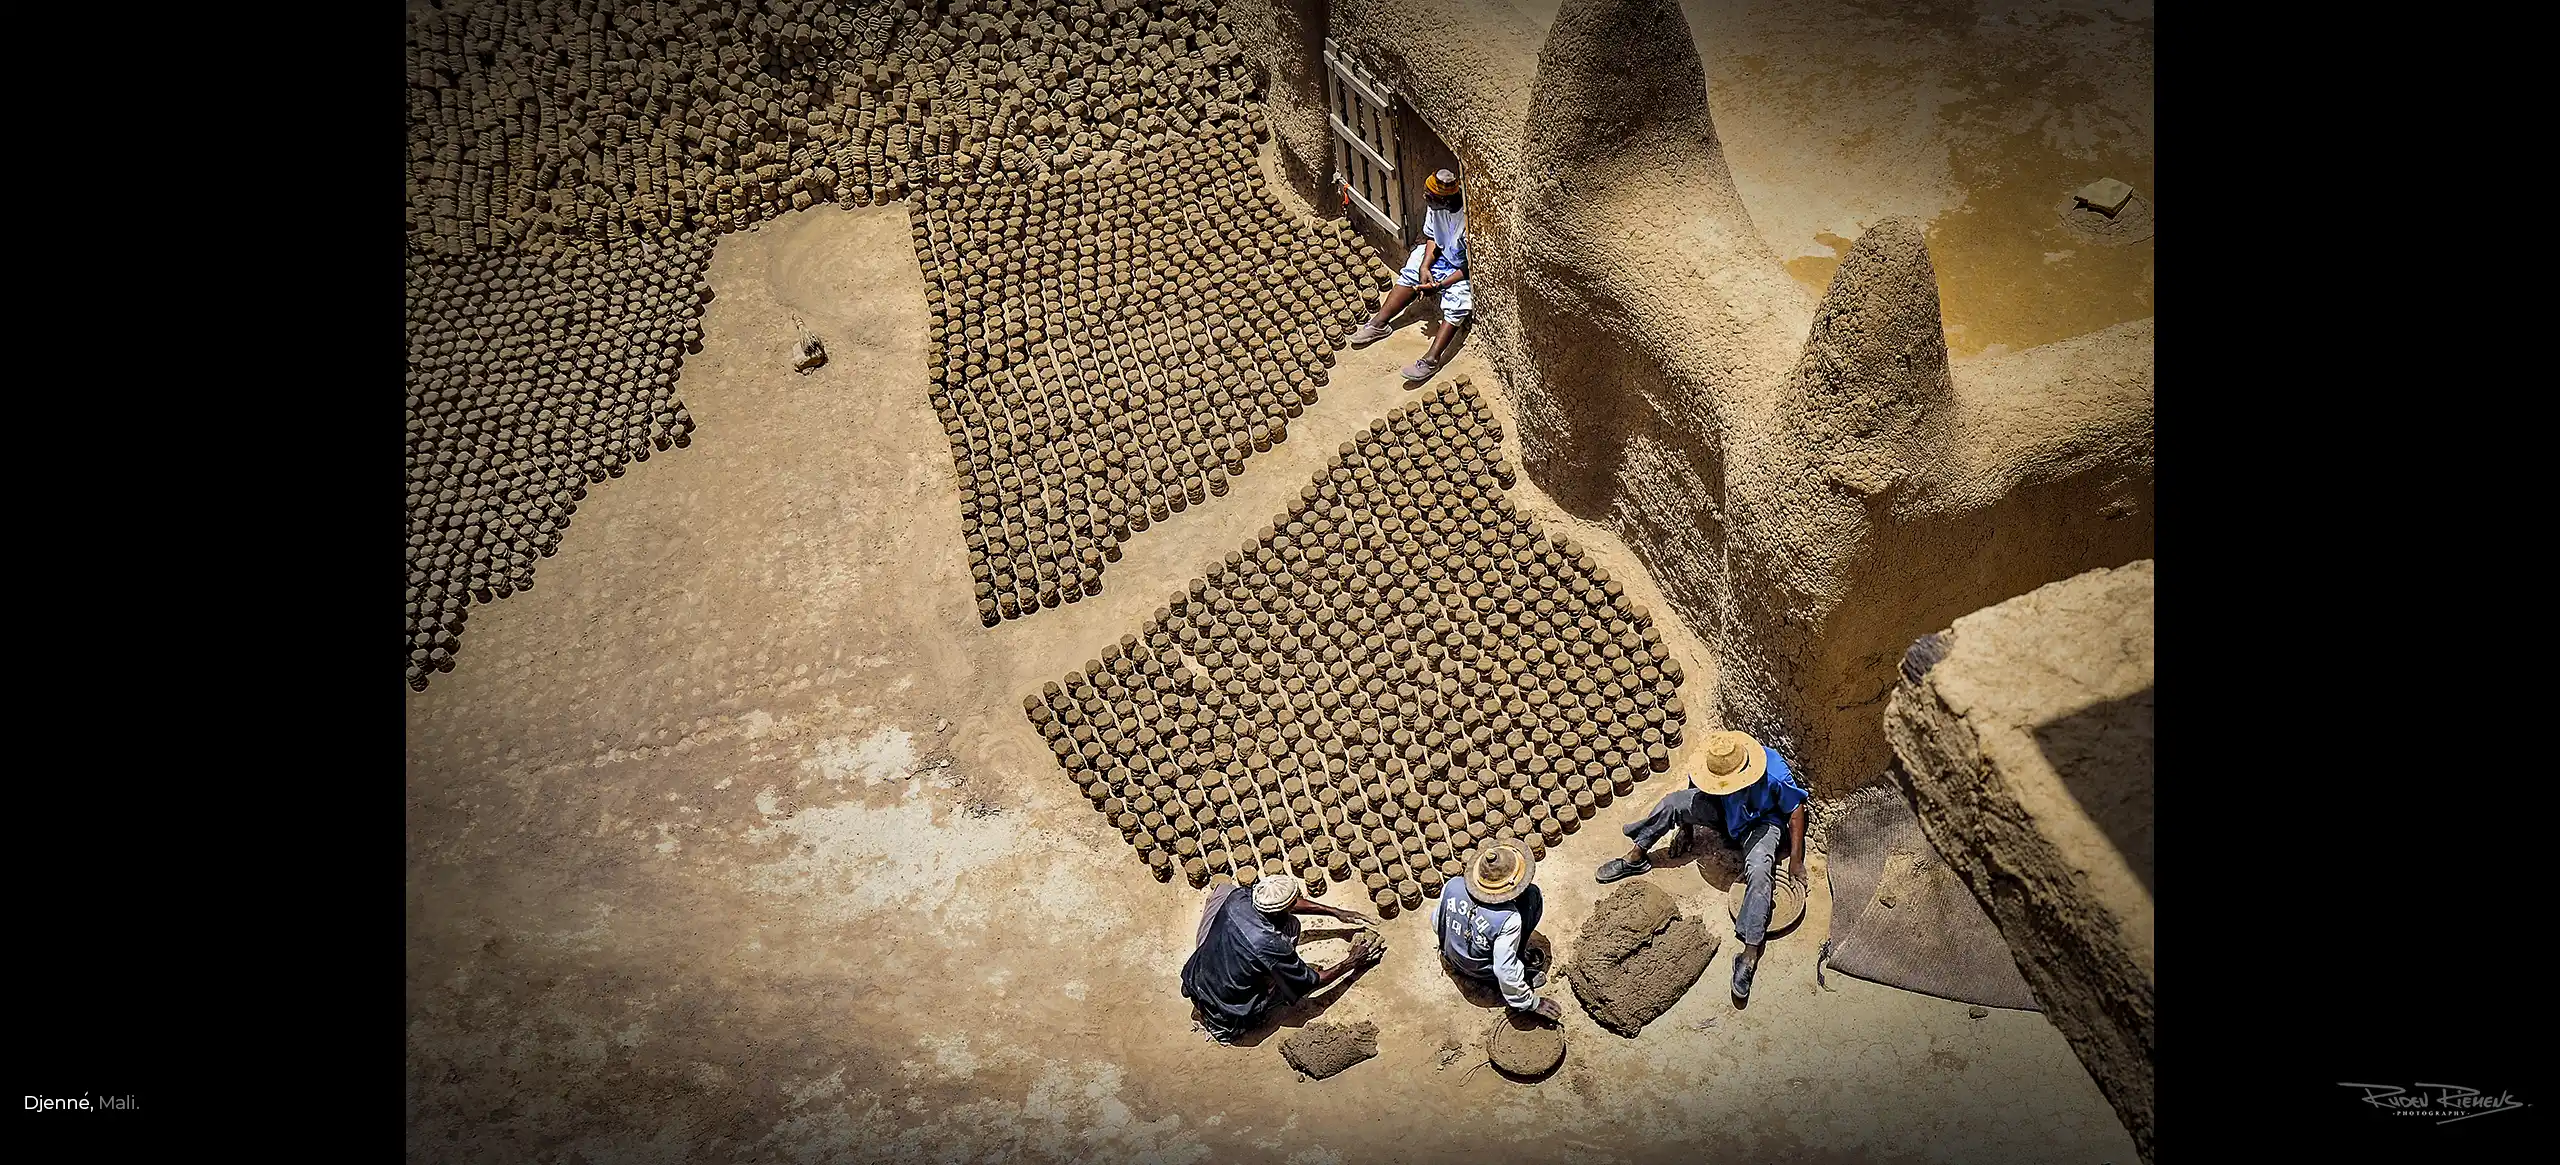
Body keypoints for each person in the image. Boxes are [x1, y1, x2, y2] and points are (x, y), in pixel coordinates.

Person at [1593, 730, 1808, 1001]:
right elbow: (1693, 790)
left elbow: (1796, 809)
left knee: (1760, 869)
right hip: (1724, 812)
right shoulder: (1710, 764)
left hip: (1760, 823)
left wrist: (1796, 862)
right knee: (1673, 803)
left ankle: (1750, 953)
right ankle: (1635, 858)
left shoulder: (1773, 771)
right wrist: (1686, 830)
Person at [1180, 873, 1382, 1042]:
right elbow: (1315, 981)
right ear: (1278, 911)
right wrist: (1353, 961)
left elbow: (1285, 906)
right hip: (1228, 1006)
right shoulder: (1271, 945)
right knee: (1292, 930)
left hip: (1199, 972)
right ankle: (1233, 1019)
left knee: (1224, 890)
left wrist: (1334, 912)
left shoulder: (1239, 897)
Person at [1346, 168, 1471, 382]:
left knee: (1459, 300)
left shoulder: (1467, 221)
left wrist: (1440, 286)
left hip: (1461, 272)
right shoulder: (1436, 207)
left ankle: (1431, 360)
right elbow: (1432, 237)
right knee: (1414, 263)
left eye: (1429, 196)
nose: (1424, 198)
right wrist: (1425, 267)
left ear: (1444, 200)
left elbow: (1470, 267)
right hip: (1441, 257)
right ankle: (1379, 324)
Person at [1432, 839, 1564, 1021]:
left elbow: (1436, 922)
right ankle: (1515, 967)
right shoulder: (1508, 919)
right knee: (1532, 897)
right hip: (1480, 971)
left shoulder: (1452, 885)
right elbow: (1505, 970)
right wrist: (1531, 1003)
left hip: (1452, 956)